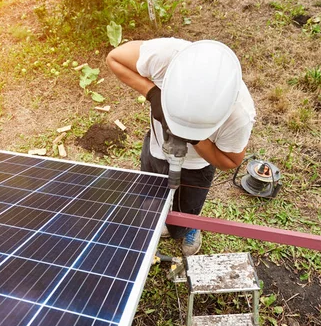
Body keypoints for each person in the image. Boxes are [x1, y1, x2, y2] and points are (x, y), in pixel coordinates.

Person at [106, 38, 256, 256]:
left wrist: (196, 140)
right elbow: (115, 58)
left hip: (197, 166)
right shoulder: (167, 57)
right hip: (157, 148)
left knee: (189, 205)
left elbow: (230, 161)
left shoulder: (239, 113)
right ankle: (160, 221)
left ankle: (188, 226)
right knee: (151, 195)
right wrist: (153, 94)